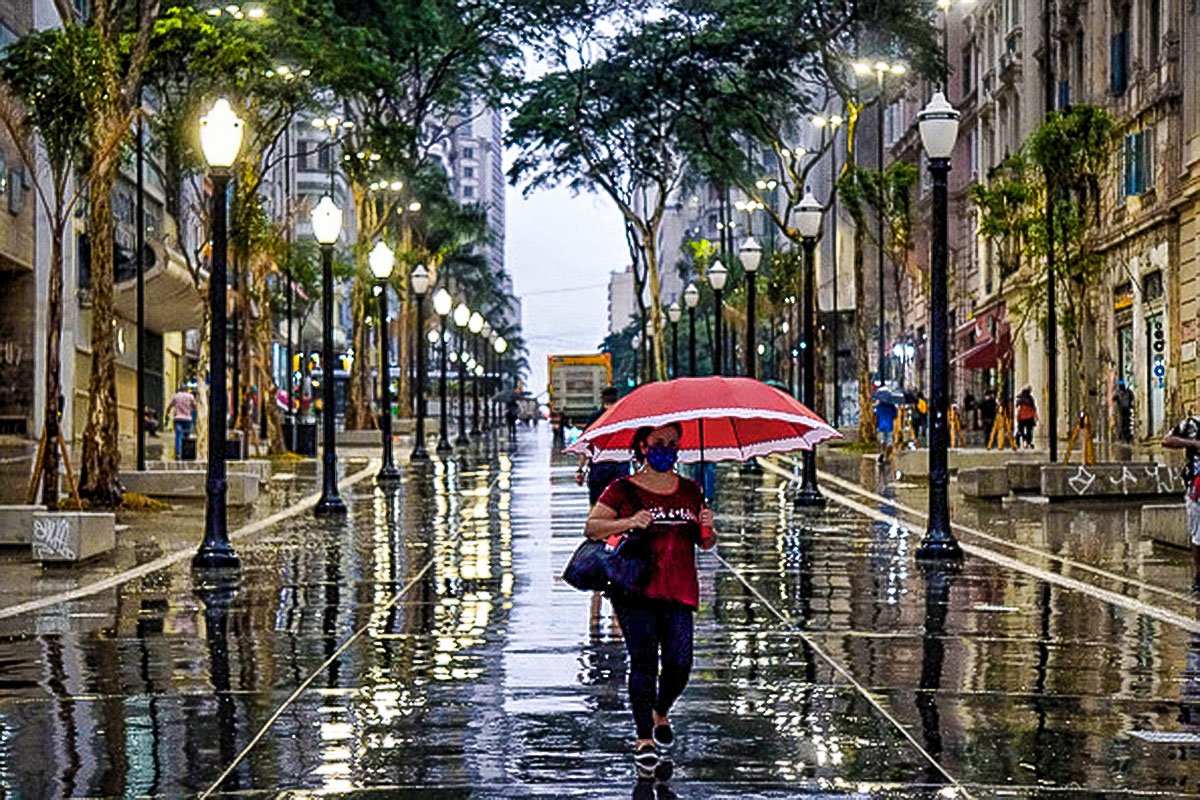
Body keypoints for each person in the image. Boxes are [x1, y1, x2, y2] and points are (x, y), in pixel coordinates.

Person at [584, 423, 717, 777]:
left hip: (680, 590)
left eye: (673, 444)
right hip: (636, 591)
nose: (666, 449)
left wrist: (708, 525)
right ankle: (644, 739)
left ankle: (661, 710)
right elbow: (592, 527)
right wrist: (629, 521)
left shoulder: (691, 490)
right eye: (659, 443)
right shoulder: (622, 489)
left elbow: (705, 543)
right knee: (643, 661)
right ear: (643, 446)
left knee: (680, 663)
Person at [1163, 414, 1200, 592]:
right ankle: (1199, 575)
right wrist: (1193, 444)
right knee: (1198, 536)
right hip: (1196, 488)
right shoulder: (1192, 424)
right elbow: (1167, 440)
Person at [165, 385, 196, 460]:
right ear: (186, 390)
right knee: (186, 435)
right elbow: (194, 406)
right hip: (187, 419)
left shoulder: (176, 396)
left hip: (178, 418)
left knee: (178, 435)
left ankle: (178, 453)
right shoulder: (190, 396)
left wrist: (167, 413)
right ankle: (185, 452)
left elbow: (169, 406)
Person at [874, 394, 898, 463]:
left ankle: (882, 452)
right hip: (889, 426)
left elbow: (877, 415)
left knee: (882, 441)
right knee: (889, 443)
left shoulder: (879, 406)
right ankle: (886, 456)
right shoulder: (891, 406)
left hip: (881, 426)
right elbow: (895, 415)